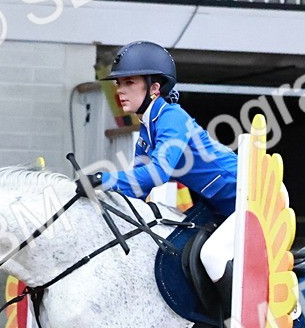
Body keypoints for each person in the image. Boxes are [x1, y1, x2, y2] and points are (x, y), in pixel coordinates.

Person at [81, 41, 239, 293]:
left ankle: (241, 319)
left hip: (253, 199)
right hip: (218, 207)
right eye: (119, 83)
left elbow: (157, 173)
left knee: (212, 256)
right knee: (181, 247)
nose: (120, 90)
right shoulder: (148, 129)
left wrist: (103, 178)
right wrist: (95, 199)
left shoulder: (172, 117)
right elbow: (136, 190)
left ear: (154, 88)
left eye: (129, 82)